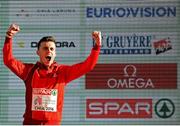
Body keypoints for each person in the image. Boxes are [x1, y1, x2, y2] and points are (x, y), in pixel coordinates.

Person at [3, 24, 101, 125]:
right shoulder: (28, 71)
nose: (49, 51)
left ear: (55, 53)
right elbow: (8, 61)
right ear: (38, 52)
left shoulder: (62, 72)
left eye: (52, 49)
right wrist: (8, 38)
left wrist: (97, 46)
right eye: (45, 48)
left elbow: (87, 66)